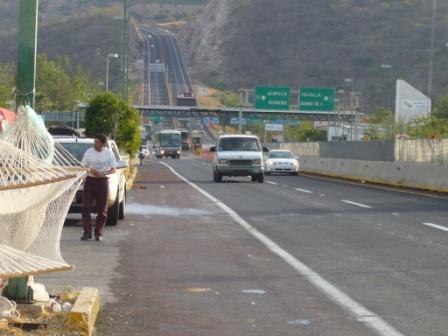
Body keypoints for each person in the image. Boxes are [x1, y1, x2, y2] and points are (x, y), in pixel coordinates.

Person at [81, 134, 117, 241]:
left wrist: (103, 173)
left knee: (102, 210)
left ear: (103, 144)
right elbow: (83, 165)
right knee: (86, 207)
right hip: (90, 181)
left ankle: (98, 232)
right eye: (94, 141)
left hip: (102, 182)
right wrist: (91, 170)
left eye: (97, 142)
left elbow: (114, 169)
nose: (95, 144)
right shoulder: (89, 152)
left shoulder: (108, 153)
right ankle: (87, 232)